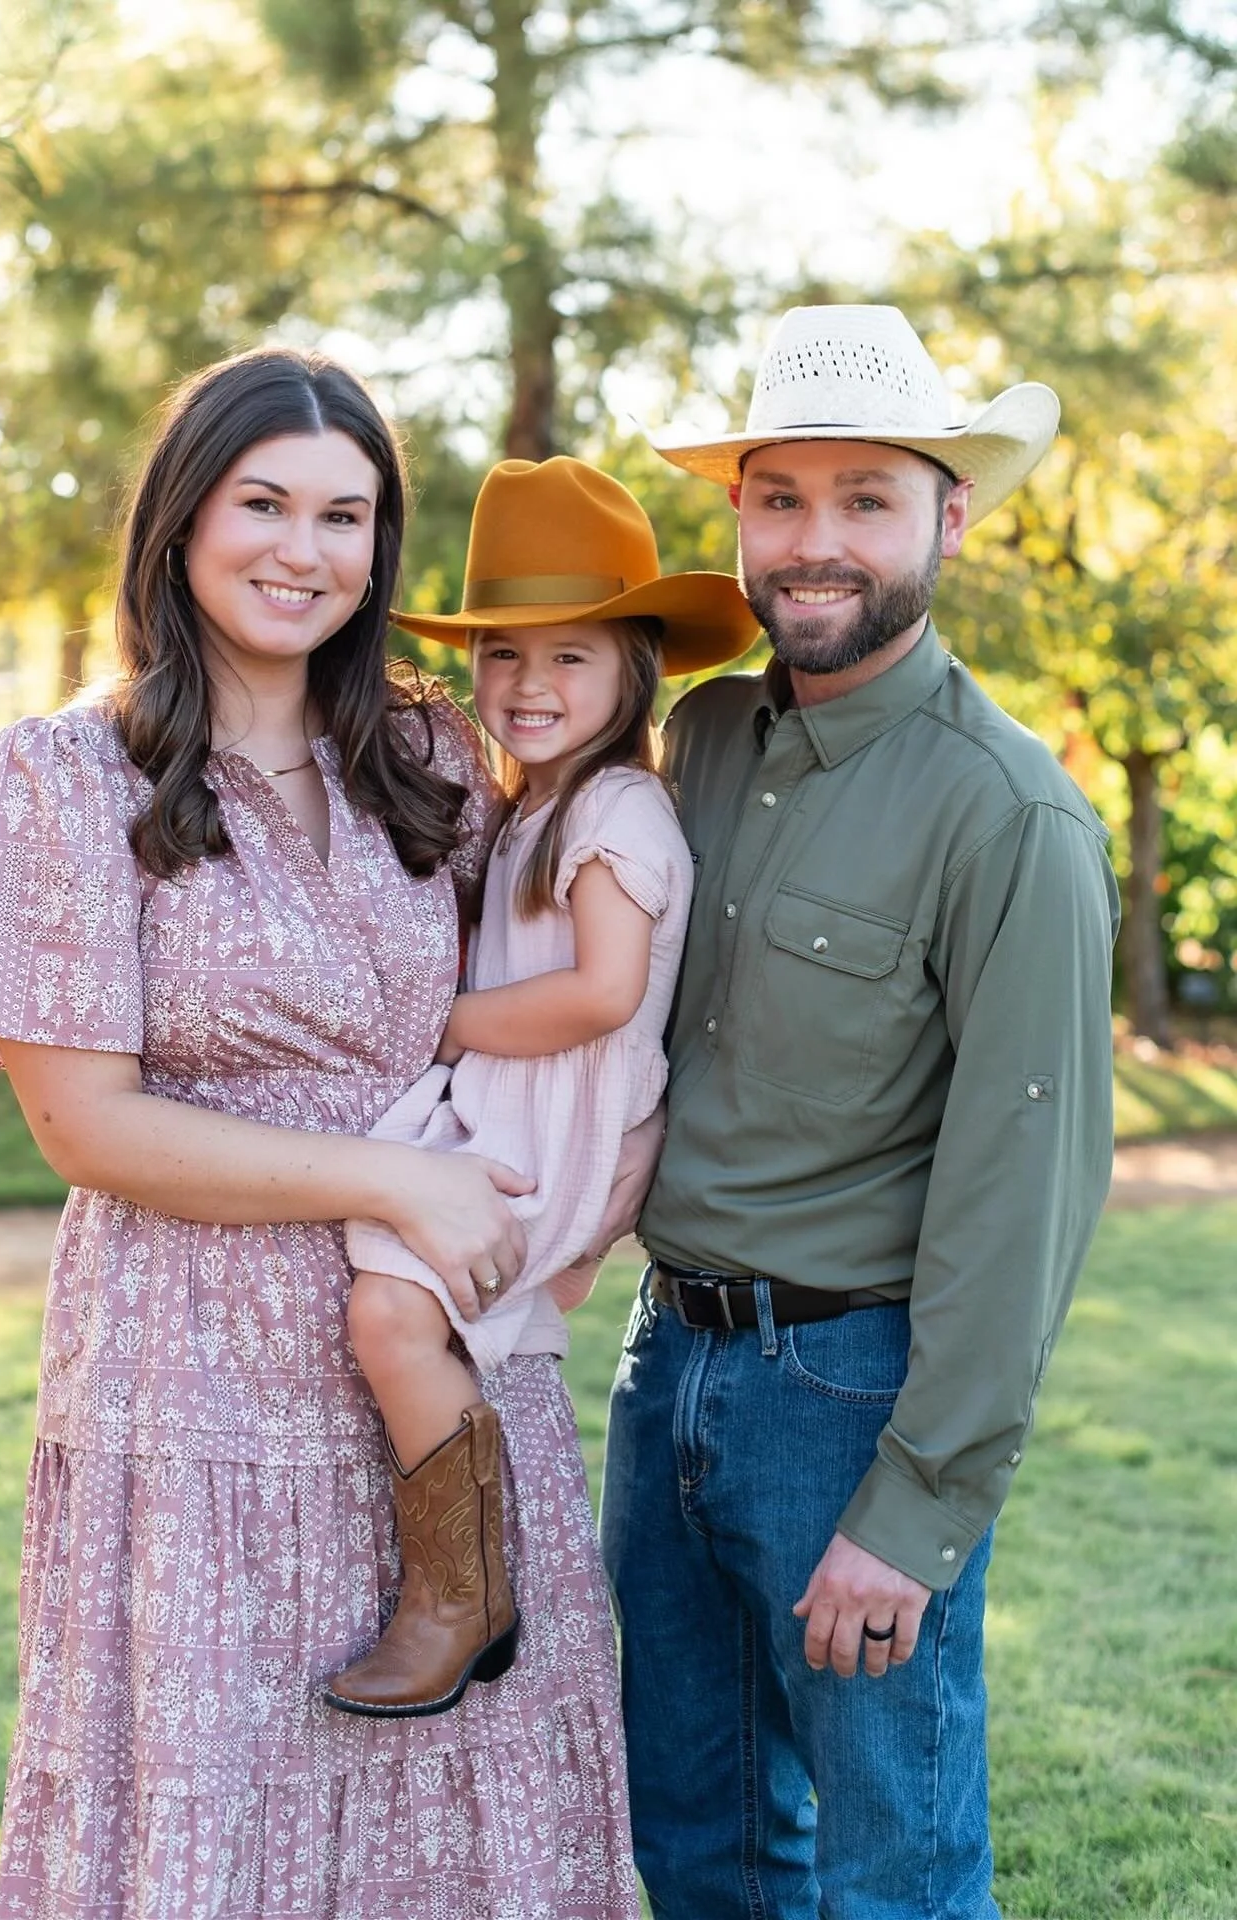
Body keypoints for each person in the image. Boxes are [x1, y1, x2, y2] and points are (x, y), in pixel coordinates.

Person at [0, 347, 644, 1917]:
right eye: (265, 504)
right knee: (216, 1806)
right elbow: (88, 1127)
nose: (304, 550)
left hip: (444, 1349)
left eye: (347, 515)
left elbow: (576, 999)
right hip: (193, 1384)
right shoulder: (59, 780)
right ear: (180, 520)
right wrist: (391, 1176)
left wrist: (569, 1241)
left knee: (469, 1792)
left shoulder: (435, 759)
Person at [599, 304, 1122, 1919]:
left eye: (865, 499)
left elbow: (1023, 1196)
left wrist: (917, 1510)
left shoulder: (1010, 814)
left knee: (893, 1871)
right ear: (737, 515)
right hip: (662, 1369)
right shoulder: (701, 739)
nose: (815, 542)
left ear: (948, 517)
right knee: (696, 1850)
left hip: (848, 1398)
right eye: (779, 497)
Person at [324, 456, 755, 1720]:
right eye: (505, 656)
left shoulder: (617, 805)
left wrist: (436, 1022)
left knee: (390, 1319)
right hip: (514, 1104)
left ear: (639, 668)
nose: (529, 685)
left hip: (546, 1124)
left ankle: (463, 1593)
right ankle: (466, 1580)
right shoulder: (534, 806)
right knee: (381, 1297)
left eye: (570, 658)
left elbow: (605, 992)